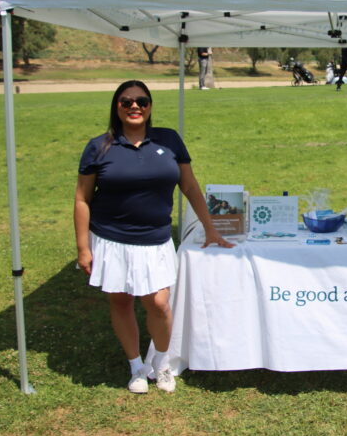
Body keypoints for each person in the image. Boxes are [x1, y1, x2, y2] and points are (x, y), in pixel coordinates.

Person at [74, 80, 233, 394]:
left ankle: (161, 364)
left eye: (142, 101)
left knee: (159, 303)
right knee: (121, 300)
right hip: (111, 238)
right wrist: (83, 248)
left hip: (156, 238)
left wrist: (211, 227)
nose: (135, 107)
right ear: (116, 107)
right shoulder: (99, 146)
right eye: (127, 102)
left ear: (149, 106)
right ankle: (136, 366)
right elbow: (82, 198)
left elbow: (189, 186)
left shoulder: (169, 139)